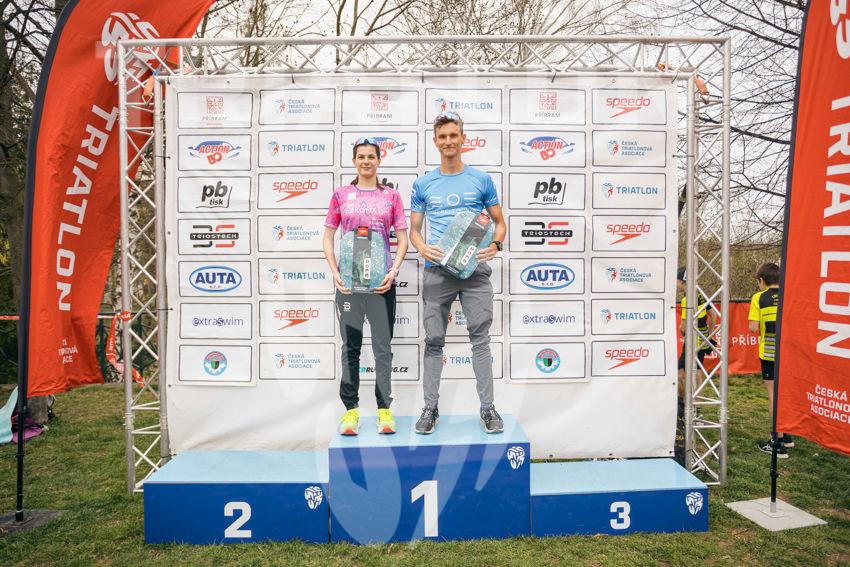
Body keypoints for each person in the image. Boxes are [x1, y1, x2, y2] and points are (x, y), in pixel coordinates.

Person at [409, 111, 507, 434]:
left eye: (454, 135)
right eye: (443, 137)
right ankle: (430, 409)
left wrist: (496, 245)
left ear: (463, 139)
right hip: (437, 271)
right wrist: (422, 248)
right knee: (434, 341)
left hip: (474, 269)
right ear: (435, 142)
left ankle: (488, 409)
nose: (448, 141)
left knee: (480, 339)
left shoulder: (482, 180)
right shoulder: (423, 183)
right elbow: (414, 231)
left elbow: (499, 223)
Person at [323, 137, 409, 436]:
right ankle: (351, 412)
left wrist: (393, 271)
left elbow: (402, 239)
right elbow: (328, 236)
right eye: (361, 156)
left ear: (379, 160)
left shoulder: (392, 196)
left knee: (383, 349)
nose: (366, 161)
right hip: (349, 286)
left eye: (371, 156)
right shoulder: (341, 195)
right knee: (351, 348)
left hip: (381, 285)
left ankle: (384, 410)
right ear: (354, 161)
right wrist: (335, 272)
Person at [748, 262, 792, 457]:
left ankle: (777, 442)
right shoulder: (788, 295)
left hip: (769, 352)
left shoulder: (759, 297)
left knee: (773, 394)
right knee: (785, 393)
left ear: (761, 281)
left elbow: (753, 328)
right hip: (789, 352)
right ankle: (786, 435)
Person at [675, 267, 718, 465]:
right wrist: (708, 333)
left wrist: (682, 331)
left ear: (682, 281)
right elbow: (714, 316)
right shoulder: (701, 294)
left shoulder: (687, 299)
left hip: (692, 340)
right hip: (701, 339)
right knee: (697, 371)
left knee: (681, 373)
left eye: (677, 281)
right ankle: (696, 408)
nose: (675, 284)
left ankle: (686, 407)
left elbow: (683, 326)